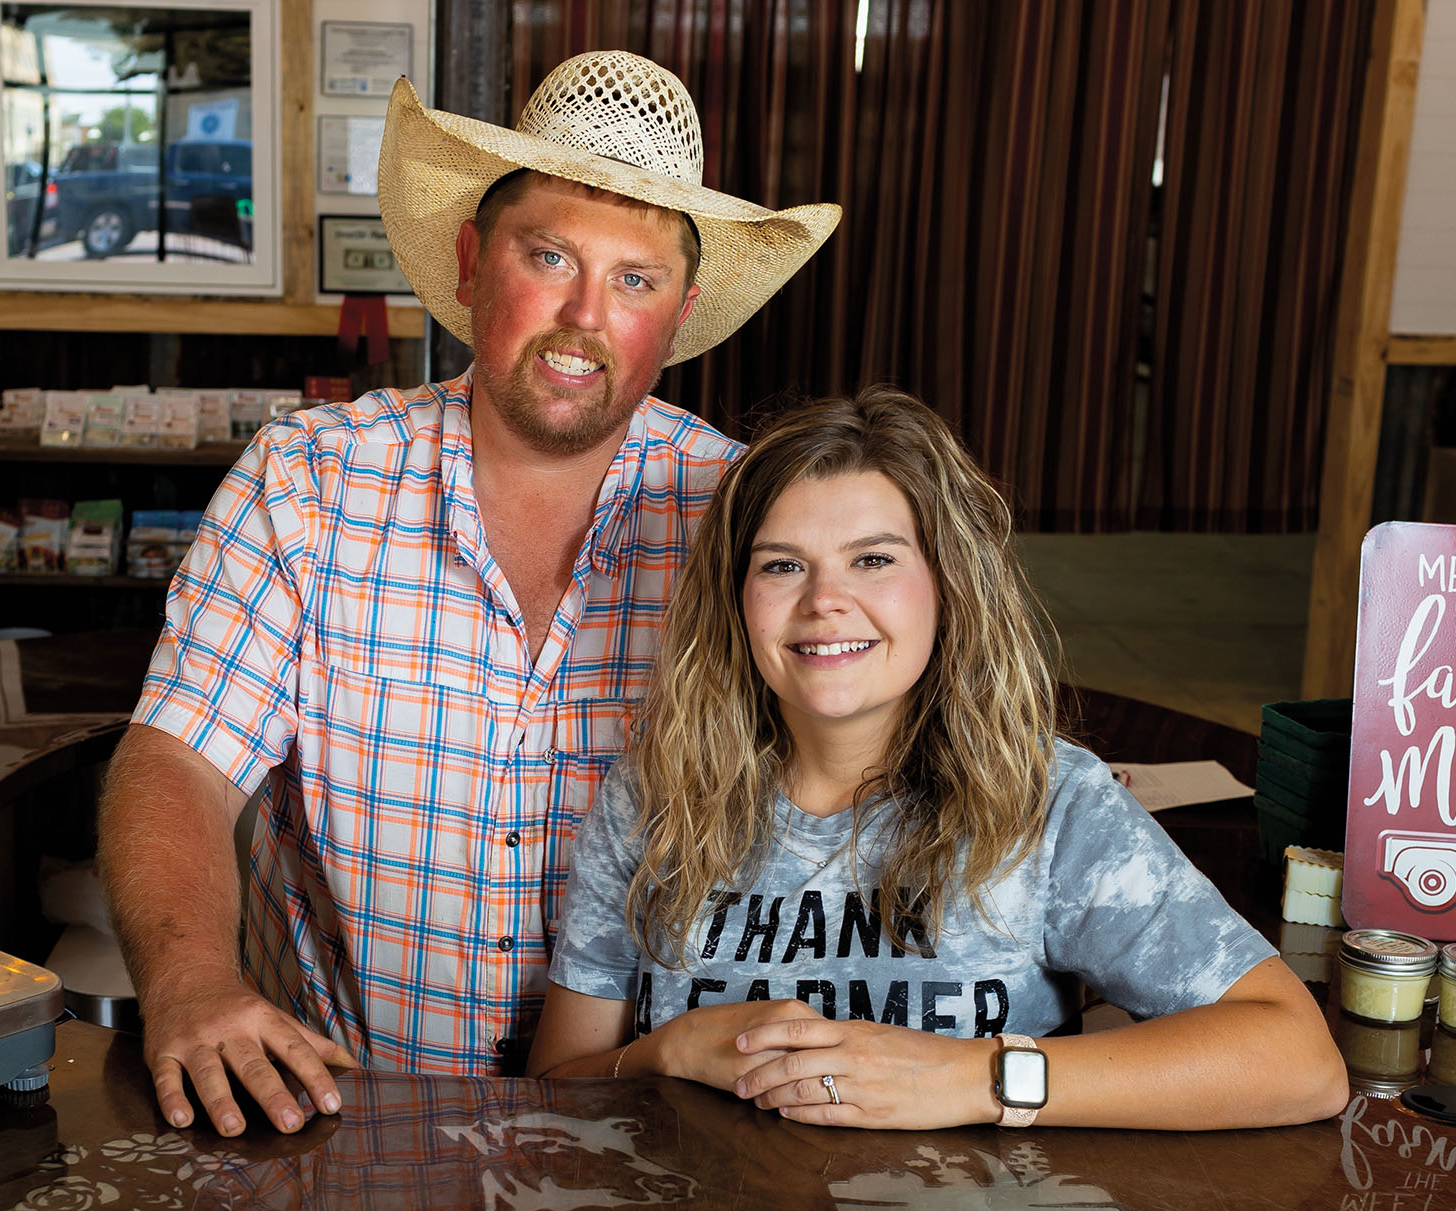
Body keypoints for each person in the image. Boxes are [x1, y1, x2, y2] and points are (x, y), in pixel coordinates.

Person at [99, 52, 840, 1138]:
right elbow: (176, 757)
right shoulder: (308, 482)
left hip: (661, 1124)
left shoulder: (746, 516)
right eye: (550, 256)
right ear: (471, 263)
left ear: (677, 319)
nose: (586, 318)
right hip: (344, 1115)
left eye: (634, 281)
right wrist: (191, 981)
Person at [527, 389, 1347, 1129]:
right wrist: (665, 1052)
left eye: (874, 559)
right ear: (737, 600)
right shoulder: (655, 795)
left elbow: (1298, 1062)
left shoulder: (1049, 802)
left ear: (948, 585)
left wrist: (972, 1078)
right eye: (782, 565)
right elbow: (557, 1082)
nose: (824, 601)